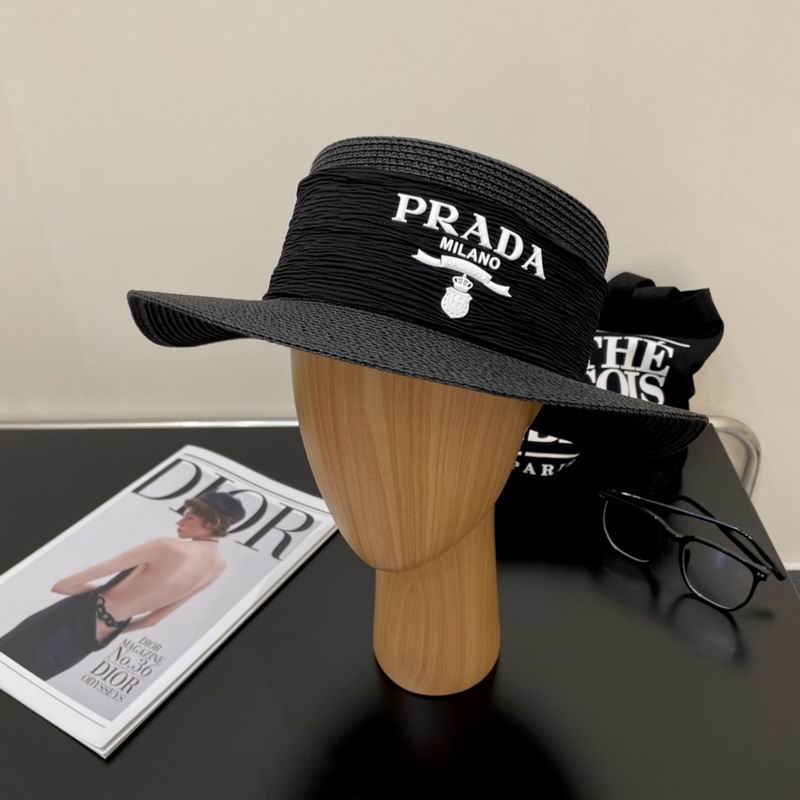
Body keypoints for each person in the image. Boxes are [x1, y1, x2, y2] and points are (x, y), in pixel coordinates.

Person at [0, 491, 245, 682]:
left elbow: (63, 586)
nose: (180, 522)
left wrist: (95, 591)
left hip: (70, 619)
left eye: (189, 517)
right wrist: (113, 625)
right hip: (96, 640)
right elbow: (151, 621)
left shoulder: (166, 546)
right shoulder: (217, 567)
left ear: (213, 522)